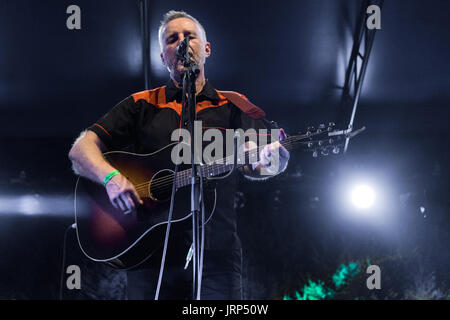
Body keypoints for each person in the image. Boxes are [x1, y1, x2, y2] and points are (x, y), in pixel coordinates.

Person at [68, 10, 289, 300]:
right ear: (163, 57)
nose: (182, 43)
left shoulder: (234, 105)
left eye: (190, 36)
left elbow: (258, 163)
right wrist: (110, 177)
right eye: (173, 39)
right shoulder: (142, 105)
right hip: (150, 254)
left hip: (216, 254)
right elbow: (80, 149)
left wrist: (273, 161)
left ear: (207, 48)